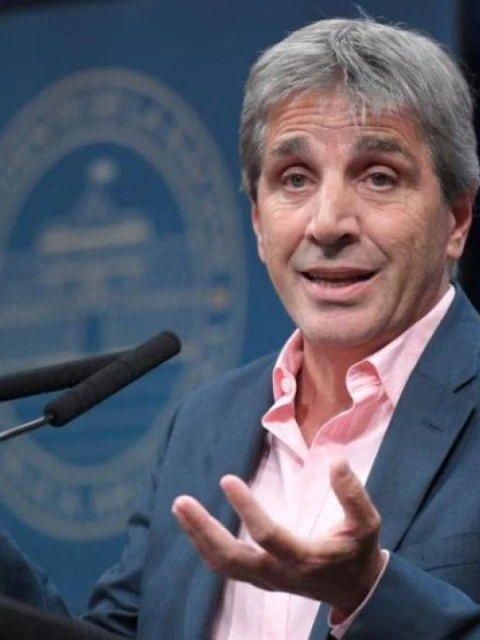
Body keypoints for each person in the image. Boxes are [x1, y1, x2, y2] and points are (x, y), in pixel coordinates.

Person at [3, 15, 480, 640]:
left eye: (378, 177)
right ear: (257, 222)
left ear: (457, 219)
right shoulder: (203, 423)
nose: (328, 223)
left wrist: (369, 595)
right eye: (295, 179)